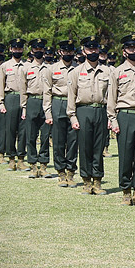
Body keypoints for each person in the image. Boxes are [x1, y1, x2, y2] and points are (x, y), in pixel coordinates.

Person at [108, 33, 135, 206]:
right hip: (124, 116)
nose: (134, 50)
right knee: (126, 155)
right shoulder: (117, 72)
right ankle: (125, 191)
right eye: (130, 48)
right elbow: (111, 98)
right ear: (124, 51)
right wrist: (113, 119)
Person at [66, 36, 110, 195]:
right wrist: (72, 116)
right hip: (83, 111)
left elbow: (111, 96)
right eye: (89, 49)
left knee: (99, 147)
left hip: (101, 110)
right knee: (84, 147)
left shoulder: (107, 71)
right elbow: (71, 95)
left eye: (95, 49)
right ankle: (86, 180)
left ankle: (97, 181)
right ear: (84, 51)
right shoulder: (76, 72)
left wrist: (111, 117)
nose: (93, 51)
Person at [44, 40, 79, 186]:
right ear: (60, 52)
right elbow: (46, 92)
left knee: (73, 141)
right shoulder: (51, 69)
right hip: (58, 102)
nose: (68, 54)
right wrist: (48, 113)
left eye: (71, 52)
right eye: (65, 51)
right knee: (58, 141)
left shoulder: (78, 68)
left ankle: (70, 171)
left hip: (75, 105)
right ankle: (61, 172)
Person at [0, 38, 28, 170]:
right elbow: (0, 85)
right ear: (11, 49)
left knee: (23, 130)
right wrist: (1, 102)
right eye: (15, 48)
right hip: (10, 98)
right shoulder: (5, 66)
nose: (17, 51)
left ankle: (21, 159)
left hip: (24, 98)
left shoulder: (27, 65)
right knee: (9, 129)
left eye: (20, 48)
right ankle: (11, 157)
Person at [23, 39, 50, 177]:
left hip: (46, 102)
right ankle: (33, 164)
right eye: (36, 49)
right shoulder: (26, 68)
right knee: (31, 135)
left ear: (44, 50)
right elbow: (23, 90)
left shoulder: (49, 68)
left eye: (41, 49)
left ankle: (44, 165)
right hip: (32, 101)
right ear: (32, 50)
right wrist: (23, 108)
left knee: (45, 136)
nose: (38, 51)